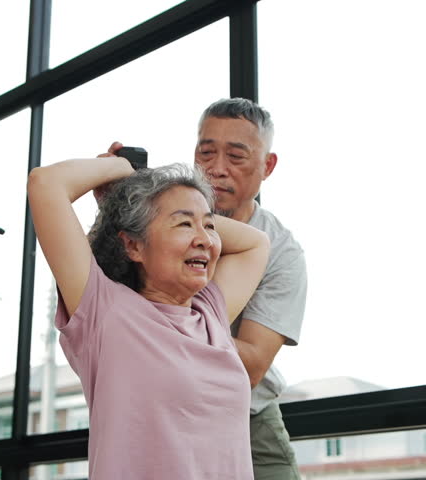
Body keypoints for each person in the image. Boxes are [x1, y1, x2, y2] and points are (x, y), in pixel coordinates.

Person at [27, 156, 270, 479]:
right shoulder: (105, 312)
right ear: (133, 245)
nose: (205, 239)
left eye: (209, 225)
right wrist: (125, 174)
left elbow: (256, 243)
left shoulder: (210, 313)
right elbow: (46, 184)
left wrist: (174, 209)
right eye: (184, 224)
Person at [108, 97, 307, 479]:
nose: (217, 169)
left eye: (236, 156)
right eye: (206, 153)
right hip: (158, 407)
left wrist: (156, 330)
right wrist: (115, 205)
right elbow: (101, 303)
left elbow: (251, 365)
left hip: (249, 418)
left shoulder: (280, 250)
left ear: (267, 166)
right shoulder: (153, 221)